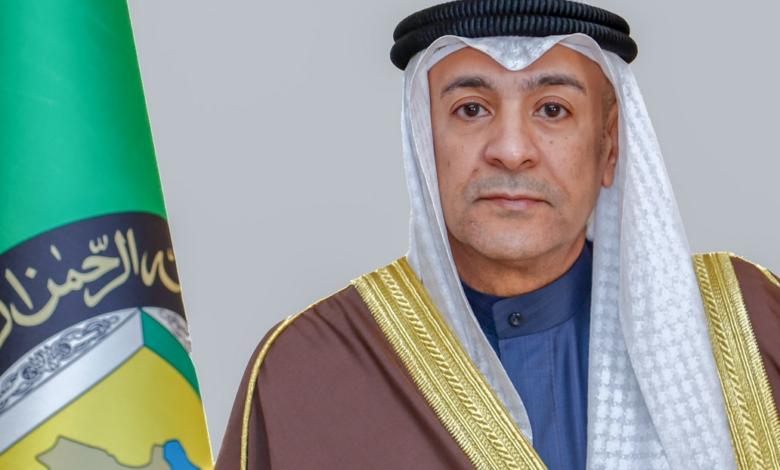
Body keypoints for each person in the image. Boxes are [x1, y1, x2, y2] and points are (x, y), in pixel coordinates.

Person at [215, 1, 780, 469]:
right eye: (471, 109)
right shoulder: (307, 370)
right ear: (423, 143)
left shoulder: (748, 325)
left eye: (553, 109)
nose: (511, 150)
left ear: (609, 146)